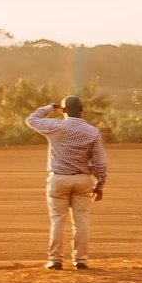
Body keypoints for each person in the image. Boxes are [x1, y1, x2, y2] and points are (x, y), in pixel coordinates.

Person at [28, 97, 108, 271]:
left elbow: (31, 120)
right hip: (83, 179)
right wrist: (100, 184)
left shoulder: (55, 126)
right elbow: (100, 163)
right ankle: (81, 259)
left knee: (58, 220)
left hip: (59, 178)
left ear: (63, 110)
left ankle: (55, 259)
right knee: (82, 220)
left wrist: (49, 107)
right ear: (82, 109)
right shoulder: (92, 132)